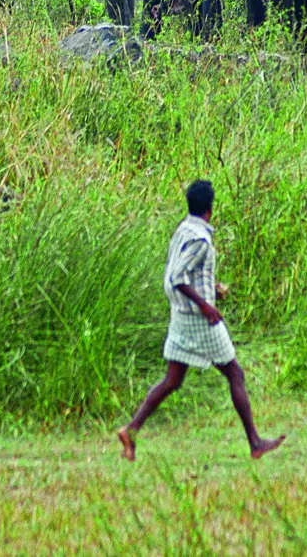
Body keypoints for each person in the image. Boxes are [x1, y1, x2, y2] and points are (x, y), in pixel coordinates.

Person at [118, 179, 285, 461]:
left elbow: (180, 274)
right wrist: (206, 305)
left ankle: (132, 429)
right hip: (198, 319)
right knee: (235, 374)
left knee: (172, 381)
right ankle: (255, 443)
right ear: (210, 208)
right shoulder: (202, 240)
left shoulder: (183, 229)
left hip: (181, 315)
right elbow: (178, 277)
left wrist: (212, 288)